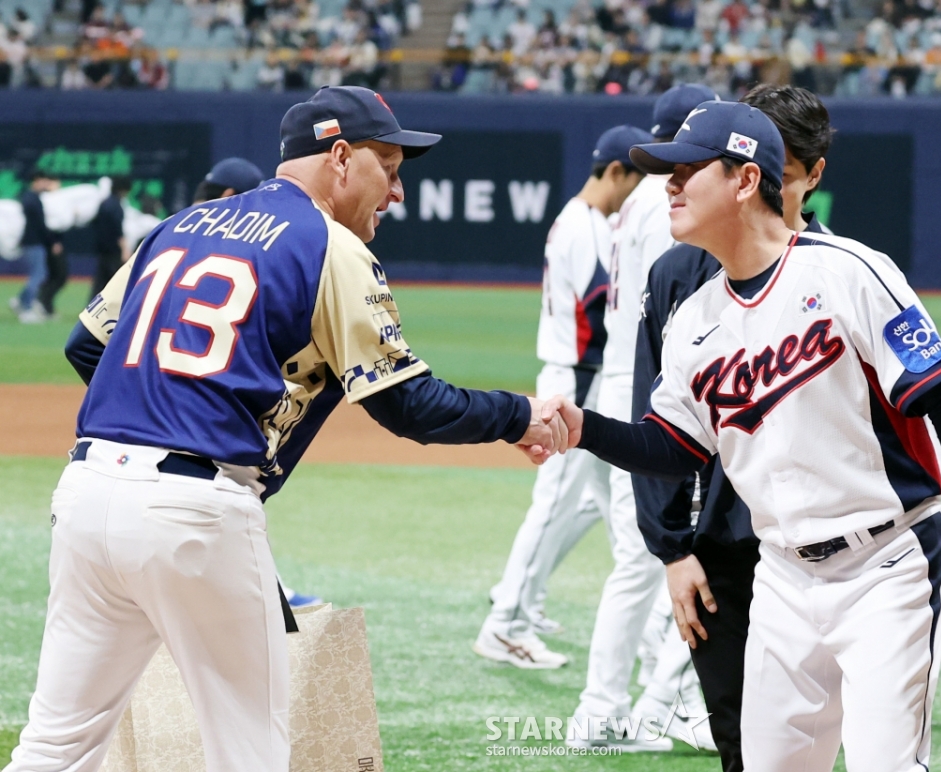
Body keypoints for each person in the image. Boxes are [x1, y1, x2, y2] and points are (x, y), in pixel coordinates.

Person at [5, 85, 566, 772]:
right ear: (338, 156)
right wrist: (518, 416)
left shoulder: (181, 224)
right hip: (195, 511)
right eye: (388, 166)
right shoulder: (327, 244)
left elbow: (87, 347)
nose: (395, 192)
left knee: (57, 745)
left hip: (87, 494)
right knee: (251, 755)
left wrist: (170, 400)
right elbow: (410, 406)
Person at [542, 100, 941, 771]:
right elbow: (673, 448)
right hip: (782, 577)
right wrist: (583, 429)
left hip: (887, 563)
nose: (669, 186)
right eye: (666, 173)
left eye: (686, 171)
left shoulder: (849, 272)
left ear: (745, 181)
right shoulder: (694, 320)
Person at [631, 83, 831, 772]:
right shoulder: (676, 276)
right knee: (741, 739)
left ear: (808, 173)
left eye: (788, 166)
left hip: (831, 547)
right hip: (723, 543)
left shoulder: (841, 271)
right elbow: (649, 421)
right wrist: (670, 548)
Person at [82, 155, 325, 611]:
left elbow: (84, 344)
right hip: (193, 466)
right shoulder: (257, 245)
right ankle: (261, 585)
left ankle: (261, 580)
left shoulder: (171, 228)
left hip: (100, 469)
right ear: (233, 197)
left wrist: (135, 396)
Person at [568, 83, 718, 753]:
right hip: (650, 391)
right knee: (652, 559)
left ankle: (654, 700)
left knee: (645, 560)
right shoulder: (672, 203)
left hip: (619, 382)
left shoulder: (637, 201)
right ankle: (618, 708)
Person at [473, 125, 651, 668]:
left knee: (602, 504)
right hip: (576, 378)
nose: (640, 192)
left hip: (585, 377)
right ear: (615, 171)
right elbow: (597, 308)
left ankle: (531, 601)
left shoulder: (585, 220)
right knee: (553, 503)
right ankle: (504, 623)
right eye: (637, 178)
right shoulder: (586, 225)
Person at [10, 170, 61, 324]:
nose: (46, 184)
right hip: (33, 242)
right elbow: (40, 225)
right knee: (38, 274)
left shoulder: (28, 197)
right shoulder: (32, 199)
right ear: (37, 181)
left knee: (39, 273)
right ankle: (25, 307)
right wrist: (52, 242)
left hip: (32, 242)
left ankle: (19, 301)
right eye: (44, 180)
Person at [91, 175, 131, 299]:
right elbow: (118, 231)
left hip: (102, 249)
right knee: (117, 283)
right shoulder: (117, 207)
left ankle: (91, 309)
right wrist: (125, 249)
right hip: (113, 251)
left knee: (100, 282)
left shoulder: (104, 204)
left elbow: (95, 224)